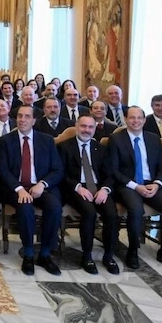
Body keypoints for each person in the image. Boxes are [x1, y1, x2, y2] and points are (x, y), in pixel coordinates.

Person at [107, 106, 162, 271]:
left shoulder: (153, 139)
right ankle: (132, 251)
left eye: (139, 118)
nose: (136, 121)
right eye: (132, 118)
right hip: (128, 185)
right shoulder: (116, 139)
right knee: (136, 210)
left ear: (144, 120)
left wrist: (157, 184)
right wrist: (136, 186)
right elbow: (113, 170)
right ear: (126, 119)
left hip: (152, 184)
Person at [0, 106, 64, 275]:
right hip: (15, 188)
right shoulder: (6, 140)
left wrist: (42, 184)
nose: (22, 119)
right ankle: (28, 253)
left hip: (40, 187)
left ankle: (45, 253)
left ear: (34, 120)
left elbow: (57, 169)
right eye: (19, 116)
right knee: (25, 207)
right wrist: (19, 189)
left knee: (54, 207)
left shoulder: (47, 140)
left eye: (27, 117)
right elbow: (3, 170)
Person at [57, 116, 120, 274]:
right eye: (83, 126)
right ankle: (87, 255)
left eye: (90, 127)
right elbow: (61, 173)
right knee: (89, 212)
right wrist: (78, 187)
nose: (86, 130)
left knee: (112, 214)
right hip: (75, 188)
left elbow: (110, 174)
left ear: (94, 129)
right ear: (76, 126)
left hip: (98, 187)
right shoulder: (64, 147)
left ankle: (108, 255)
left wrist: (105, 189)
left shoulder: (101, 148)